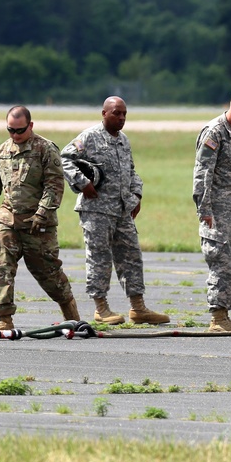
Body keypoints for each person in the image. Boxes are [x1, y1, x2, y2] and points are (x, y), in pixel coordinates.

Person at [61, 96, 169, 325]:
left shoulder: (123, 141)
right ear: (104, 113)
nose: (121, 118)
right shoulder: (89, 137)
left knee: (131, 257)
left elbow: (130, 171)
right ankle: (101, 308)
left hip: (121, 210)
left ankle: (138, 308)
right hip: (96, 210)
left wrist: (136, 194)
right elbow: (65, 159)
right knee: (99, 259)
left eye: (124, 114)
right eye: (116, 113)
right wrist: (83, 183)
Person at [0, 105, 79, 330]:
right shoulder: (2, 151)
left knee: (49, 274)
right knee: (1, 267)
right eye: (10, 130)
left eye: (20, 130)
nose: (15, 135)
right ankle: (4, 319)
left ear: (30, 126)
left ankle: (73, 317)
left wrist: (42, 212)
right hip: (8, 221)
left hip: (37, 226)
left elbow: (54, 186)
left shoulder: (45, 149)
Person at [192, 89, 231, 333]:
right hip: (216, 209)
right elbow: (202, 173)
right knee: (222, 263)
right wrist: (204, 209)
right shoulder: (214, 133)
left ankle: (225, 315)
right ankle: (217, 317)